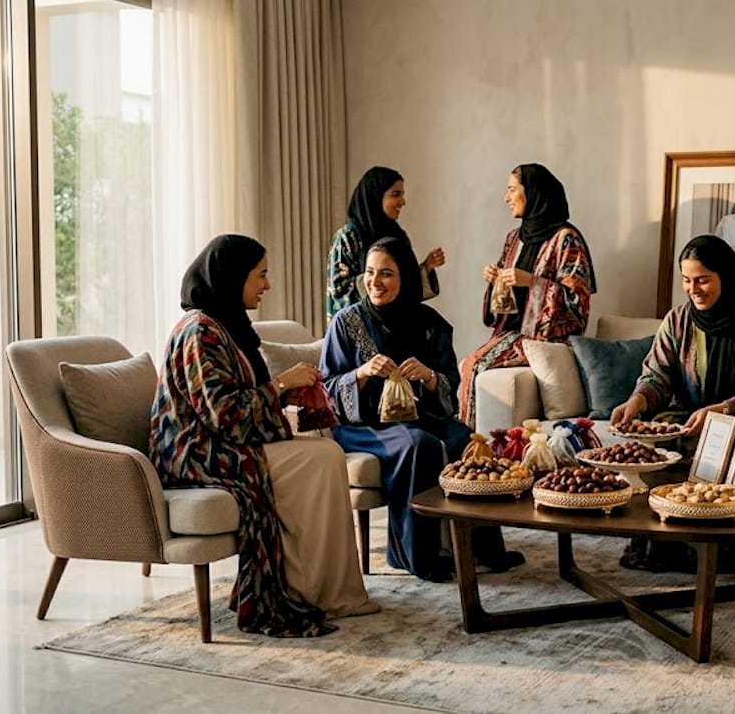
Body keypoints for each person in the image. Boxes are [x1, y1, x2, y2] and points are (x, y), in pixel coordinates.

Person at [150, 234, 379, 639]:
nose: (267, 285)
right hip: (198, 452)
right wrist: (279, 386)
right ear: (233, 277)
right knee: (322, 457)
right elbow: (222, 413)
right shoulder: (199, 332)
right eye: (261, 275)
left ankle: (321, 588)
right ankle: (317, 590)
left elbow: (237, 403)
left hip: (227, 441)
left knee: (323, 453)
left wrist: (287, 391)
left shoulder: (227, 325)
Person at [322, 238, 524, 582]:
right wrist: (361, 373)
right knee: (419, 445)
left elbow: (449, 380)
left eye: (386, 273)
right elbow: (326, 389)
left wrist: (430, 378)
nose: (375, 282)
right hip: (365, 427)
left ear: (406, 279)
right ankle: (416, 555)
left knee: (470, 444)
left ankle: (483, 548)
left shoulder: (430, 323)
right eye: (370, 272)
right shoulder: (346, 323)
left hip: (424, 416)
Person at [611, 234, 735, 572]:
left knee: (721, 441)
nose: (693, 289)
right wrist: (636, 402)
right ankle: (664, 543)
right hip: (690, 418)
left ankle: (724, 550)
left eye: (703, 280)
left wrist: (721, 411)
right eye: (686, 280)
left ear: (726, 277)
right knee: (659, 439)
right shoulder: (677, 320)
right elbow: (657, 376)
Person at [457, 163, 597, 427]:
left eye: (511, 190)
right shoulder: (514, 238)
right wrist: (495, 280)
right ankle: (472, 445)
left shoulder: (566, 239)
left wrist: (533, 283)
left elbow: (578, 306)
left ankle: (475, 448)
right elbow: (502, 305)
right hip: (512, 333)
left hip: (548, 339)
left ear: (533, 193)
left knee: (473, 366)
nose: (506, 198)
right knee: (468, 365)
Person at [326, 166, 446, 319]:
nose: (402, 202)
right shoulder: (348, 237)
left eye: (402, 195)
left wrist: (426, 268)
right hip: (359, 332)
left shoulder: (397, 236)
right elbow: (341, 295)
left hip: (398, 329)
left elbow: (407, 288)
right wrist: (383, 278)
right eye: (396, 195)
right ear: (375, 197)